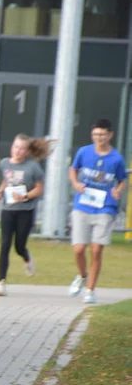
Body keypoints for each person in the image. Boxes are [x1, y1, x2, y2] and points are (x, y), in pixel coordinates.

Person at [68, 119, 128, 304]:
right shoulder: (84, 152)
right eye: (95, 135)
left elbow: (122, 180)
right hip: (83, 205)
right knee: (79, 249)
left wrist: (118, 191)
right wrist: (76, 183)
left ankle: (90, 290)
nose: (99, 138)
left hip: (105, 207)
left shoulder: (116, 158)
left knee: (96, 250)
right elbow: (73, 169)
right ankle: (82, 275)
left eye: (102, 135)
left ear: (110, 135)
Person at [0, 134, 49, 297]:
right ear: (12, 147)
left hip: (26, 210)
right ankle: (1, 282)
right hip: (8, 210)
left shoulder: (33, 167)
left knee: (19, 246)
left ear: (28, 151)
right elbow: (6, 180)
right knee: (5, 245)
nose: (18, 151)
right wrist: (1, 191)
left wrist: (25, 196)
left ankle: (26, 257)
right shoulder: (5, 163)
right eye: (16, 147)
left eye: (22, 148)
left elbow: (39, 189)